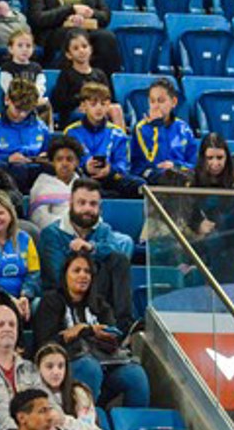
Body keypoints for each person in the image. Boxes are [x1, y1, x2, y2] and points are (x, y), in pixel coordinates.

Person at [33, 252, 150, 407]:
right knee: (90, 367)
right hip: (66, 365)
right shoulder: (51, 301)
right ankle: (85, 416)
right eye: (77, 270)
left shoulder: (100, 304)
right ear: (65, 274)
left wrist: (102, 335)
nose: (83, 275)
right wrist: (76, 333)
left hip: (103, 362)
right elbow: (44, 344)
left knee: (135, 375)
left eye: (87, 271)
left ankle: (133, 422)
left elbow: (113, 337)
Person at [39, 178, 134, 326]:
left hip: (98, 294)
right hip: (64, 295)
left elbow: (116, 250)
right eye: (81, 203)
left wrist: (91, 248)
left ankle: (125, 325)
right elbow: (57, 275)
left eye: (93, 204)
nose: (88, 209)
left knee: (119, 260)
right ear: (71, 203)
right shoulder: (51, 234)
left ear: (100, 208)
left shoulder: (103, 229)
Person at [26, 0, 121, 74]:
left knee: (106, 37)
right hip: (55, 31)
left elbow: (105, 16)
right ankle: (71, 80)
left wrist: (90, 13)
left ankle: (104, 80)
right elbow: (38, 18)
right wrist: (70, 10)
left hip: (86, 28)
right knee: (74, 36)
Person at [64, 82, 143, 198]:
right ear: (83, 106)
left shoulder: (118, 133)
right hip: (83, 177)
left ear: (108, 105)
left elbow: (123, 164)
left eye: (103, 104)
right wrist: (85, 166)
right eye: (93, 104)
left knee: (139, 185)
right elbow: (67, 162)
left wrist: (110, 170)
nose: (99, 108)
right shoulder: (72, 132)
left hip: (110, 178)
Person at [0, 78, 52, 191]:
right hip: (5, 175)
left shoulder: (41, 127)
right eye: (18, 109)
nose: (22, 114)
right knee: (18, 169)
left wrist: (44, 157)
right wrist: (7, 159)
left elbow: (49, 154)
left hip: (35, 173)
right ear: (7, 100)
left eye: (27, 110)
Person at [50, 29, 123, 131]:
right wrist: (81, 102)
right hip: (77, 111)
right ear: (69, 54)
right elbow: (60, 101)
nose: (81, 51)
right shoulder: (66, 75)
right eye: (76, 48)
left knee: (116, 108)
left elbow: (109, 96)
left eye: (84, 46)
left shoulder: (100, 74)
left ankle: (120, 138)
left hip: (99, 106)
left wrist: (101, 104)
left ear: (90, 49)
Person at [130, 78, 197, 184]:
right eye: (152, 101)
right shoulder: (141, 128)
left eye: (161, 101)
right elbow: (155, 161)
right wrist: (157, 125)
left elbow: (194, 164)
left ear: (173, 102)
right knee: (165, 175)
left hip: (178, 174)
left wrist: (175, 165)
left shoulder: (184, 129)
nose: (156, 106)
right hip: (150, 175)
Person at [30, 136, 81, 230]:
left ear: (77, 162)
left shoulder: (84, 186)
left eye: (69, 159)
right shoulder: (42, 185)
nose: (64, 164)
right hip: (53, 233)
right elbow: (39, 218)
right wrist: (67, 227)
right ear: (53, 162)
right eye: (59, 159)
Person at [0, 27, 47, 105]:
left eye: (28, 46)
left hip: (33, 101)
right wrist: (22, 99)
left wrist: (32, 97)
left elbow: (40, 86)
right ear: (11, 49)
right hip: (14, 102)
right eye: (20, 45)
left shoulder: (37, 68)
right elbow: (8, 87)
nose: (24, 49)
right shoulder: (7, 67)